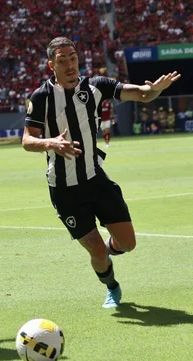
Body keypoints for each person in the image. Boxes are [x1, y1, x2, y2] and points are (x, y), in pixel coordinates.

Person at [22, 37, 180, 309]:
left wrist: (154, 90)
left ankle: (103, 253)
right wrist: (50, 143)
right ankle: (112, 287)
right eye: (62, 61)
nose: (70, 65)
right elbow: (27, 140)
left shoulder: (96, 86)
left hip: (96, 181)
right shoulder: (41, 97)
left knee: (128, 244)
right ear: (51, 65)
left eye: (72, 57)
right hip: (64, 189)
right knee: (95, 249)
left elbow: (141, 94)